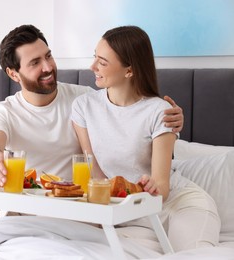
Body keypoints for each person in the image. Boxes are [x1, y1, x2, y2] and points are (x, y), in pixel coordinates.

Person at [0, 24, 184, 196]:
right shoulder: (6, 111)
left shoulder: (85, 100)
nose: (48, 67)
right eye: (35, 63)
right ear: (13, 73)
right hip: (22, 194)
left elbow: (126, 117)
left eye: (48, 56)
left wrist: (170, 120)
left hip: (66, 196)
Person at [71, 25, 220, 251]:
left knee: (195, 254)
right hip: (130, 213)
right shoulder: (84, 106)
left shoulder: (160, 112)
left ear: (129, 70)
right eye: (95, 58)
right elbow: (95, 173)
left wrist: (147, 187)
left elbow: (161, 186)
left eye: (102, 62)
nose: (92, 67)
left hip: (178, 204)